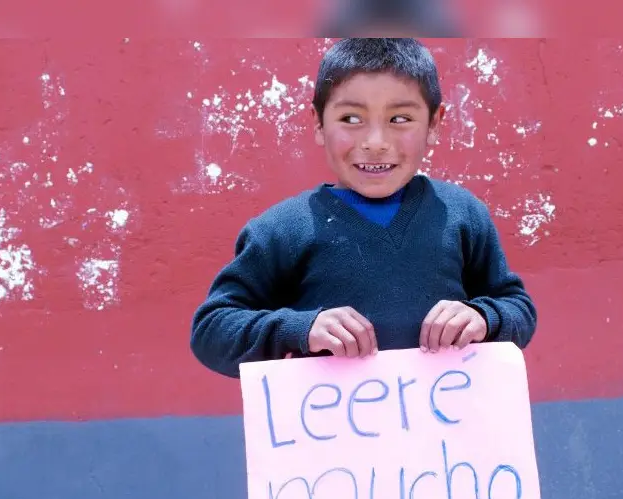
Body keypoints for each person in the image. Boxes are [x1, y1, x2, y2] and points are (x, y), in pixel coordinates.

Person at [190, 38, 537, 379]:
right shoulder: (283, 229)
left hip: (447, 431)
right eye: (351, 119)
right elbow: (211, 331)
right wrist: (301, 327)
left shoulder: (463, 214)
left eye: (399, 119)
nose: (375, 143)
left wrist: (484, 317)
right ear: (317, 123)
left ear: (434, 124)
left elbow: (518, 309)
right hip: (333, 431)